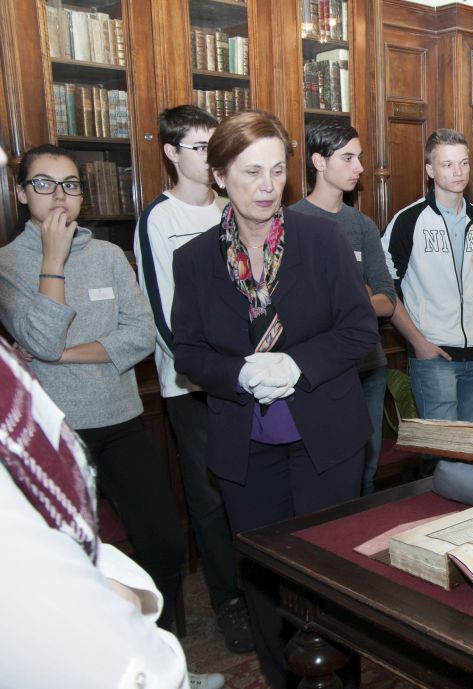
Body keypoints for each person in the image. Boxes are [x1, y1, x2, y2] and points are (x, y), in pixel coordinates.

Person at [170, 110, 378, 689]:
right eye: (250, 172)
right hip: (246, 452)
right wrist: (237, 374)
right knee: (264, 585)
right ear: (218, 176)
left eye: (277, 171)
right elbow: (188, 353)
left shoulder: (321, 240)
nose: (267, 186)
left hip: (325, 446)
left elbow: (360, 330)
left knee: (330, 581)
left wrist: (297, 364)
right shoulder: (194, 260)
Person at [0, 140, 187, 689]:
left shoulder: (108, 255)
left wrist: (61, 355)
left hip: (121, 418)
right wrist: (53, 260)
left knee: (164, 541)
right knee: (73, 565)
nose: (59, 196)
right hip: (56, 434)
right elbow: (39, 335)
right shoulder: (7, 263)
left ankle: (156, 652)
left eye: (71, 185)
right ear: (21, 193)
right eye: (44, 184)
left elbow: (141, 335)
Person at [133, 104, 252, 654]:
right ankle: (228, 600)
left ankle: (260, 589)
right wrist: (202, 368)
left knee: (249, 486)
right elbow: (162, 313)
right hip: (193, 385)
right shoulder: (159, 219)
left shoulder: (232, 209)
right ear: (171, 152)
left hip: (246, 377)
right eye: (200, 148)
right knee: (208, 497)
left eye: (215, 147)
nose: (210, 157)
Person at [290, 120, 396, 495]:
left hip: (368, 368)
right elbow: (294, 309)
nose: (360, 167)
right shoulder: (290, 222)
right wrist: (357, 298)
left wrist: (349, 301)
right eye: (347, 158)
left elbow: (387, 300)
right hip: (318, 372)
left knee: (366, 468)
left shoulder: (362, 225)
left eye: (359, 157)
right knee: (321, 472)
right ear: (318, 161)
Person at [381, 128, 473, 430]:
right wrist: (418, 342)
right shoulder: (408, 221)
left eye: (464, 163)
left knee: (472, 443)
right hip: (435, 356)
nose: (458, 172)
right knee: (442, 446)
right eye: (448, 164)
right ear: (430, 170)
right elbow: (386, 288)